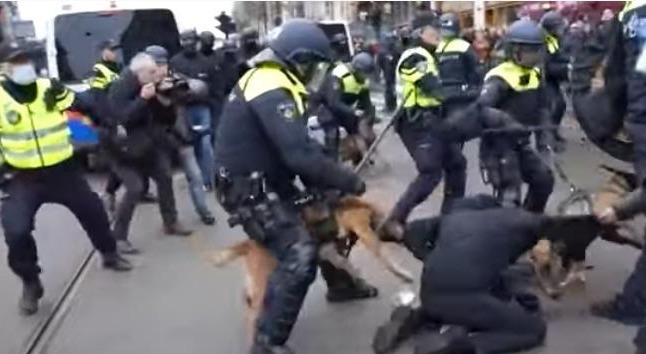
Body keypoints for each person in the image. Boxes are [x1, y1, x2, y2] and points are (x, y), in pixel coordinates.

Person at [214, 19, 367, 354]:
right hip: (249, 189)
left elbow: (297, 151)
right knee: (299, 255)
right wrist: (348, 180)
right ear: (298, 59)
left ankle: (341, 285)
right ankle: (267, 342)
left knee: (325, 223)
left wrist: (326, 190)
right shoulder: (270, 86)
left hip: (267, 181)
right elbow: (298, 154)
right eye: (313, 65)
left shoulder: (276, 81)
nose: (316, 74)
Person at [374, 195, 601, 354]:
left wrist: (435, 257)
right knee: (532, 329)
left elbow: (411, 233)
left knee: (501, 279)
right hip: (463, 295)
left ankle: (416, 316)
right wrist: (599, 222)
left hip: (430, 291)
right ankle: (457, 346)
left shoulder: (455, 218)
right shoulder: (523, 220)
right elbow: (562, 226)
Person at [0, 45, 132, 316]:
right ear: (4, 68)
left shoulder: (49, 87)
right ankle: (30, 281)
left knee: (93, 211)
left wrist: (105, 122)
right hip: (23, 177)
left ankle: (109, 254)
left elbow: (83, 105)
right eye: (17, 62)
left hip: (63, 171)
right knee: (16, 231)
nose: (25, 65)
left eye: (26, 60)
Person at [459, 19, 554, 212]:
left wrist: (545, 142)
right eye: (529, 51)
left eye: (537, 51)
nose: (534, 56)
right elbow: (482, 109)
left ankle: (529, 223)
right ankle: (506, 234)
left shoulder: (535, 75)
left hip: (521, 144)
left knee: (544, 180)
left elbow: (543, 109)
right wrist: (506, 121)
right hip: (498, 147)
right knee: (510, 196)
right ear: (514, 50)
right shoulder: (499, 77)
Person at [108, 51, 193, 254]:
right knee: (134, 189)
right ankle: (118, 237)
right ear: (140, 72)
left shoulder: (149, 84)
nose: (157, 75)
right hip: (123, 148)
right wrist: (143, 99)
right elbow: (123, 118)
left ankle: (170, 222)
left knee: (164, 176)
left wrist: (165, 99)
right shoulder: (120, 88)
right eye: (152, 72)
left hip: (148, 144)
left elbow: (165, 118)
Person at [387, 11, 467, 225]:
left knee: (457, 164)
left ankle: (450, 217)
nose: (439, 33)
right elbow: (435, 90)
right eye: (435, 29)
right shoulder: (414, 57)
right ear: (420, 32)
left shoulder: (428, 55)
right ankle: (394, 220)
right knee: (430, 172)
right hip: (415, 123)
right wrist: (468, 91)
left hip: (432, 120)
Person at [170, 30, 219, 191]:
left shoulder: (205, 61)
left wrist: (210, 100)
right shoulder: (175, 62)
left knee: (205, 145)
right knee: (189, 145)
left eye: (191, 40)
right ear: (181, 42)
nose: (189, 43)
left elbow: (213, 85)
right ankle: (194, 178)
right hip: (183, 109)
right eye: (185, 40)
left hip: (202, 108)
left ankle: (207, 180)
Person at [318, 52, 376, 162]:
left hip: (346, 109)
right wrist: (353, 111)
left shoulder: (364, 81)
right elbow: (333, 102)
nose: (366, 76)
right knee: (332, 135)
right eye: (364, 73)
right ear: (356, 70)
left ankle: (358, 159)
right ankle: (332, 164)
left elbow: (366, 102)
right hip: (328, 108)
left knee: (360, 132)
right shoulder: (338, 75)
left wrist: (369, 116)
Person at [436, 12, 481, 117]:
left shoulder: (437, 47)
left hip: (442, 93)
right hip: (462, 93)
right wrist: (475, 89)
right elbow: (476, 70)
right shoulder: (464, 46)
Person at [540, 11, 569, 151]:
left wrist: (569, 62)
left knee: (561, 105)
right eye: (558, 27)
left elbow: (558, 57)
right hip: (542, 80)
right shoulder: (542, 41)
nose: (561, 29)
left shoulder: (554, 40)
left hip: (551, 80)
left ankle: (553, 131)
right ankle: (548, 140)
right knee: (553, 106)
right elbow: (547, 66)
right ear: (550, 27)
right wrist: (567, 69)